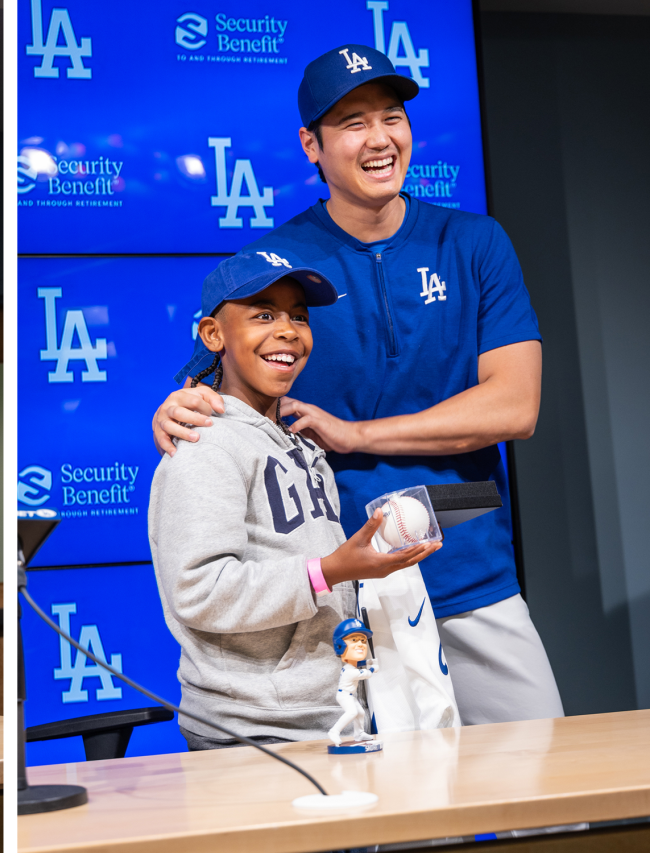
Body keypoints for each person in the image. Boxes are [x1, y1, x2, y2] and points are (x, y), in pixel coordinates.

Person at [151, 44, 562, 725]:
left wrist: (359, 434)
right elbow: (206, 388)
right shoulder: (275, 264)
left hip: (470, 562)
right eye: (351, 123)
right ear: (312, 145)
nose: (379, 139)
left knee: (547, 789)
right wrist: (173, 405)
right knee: (397, 808)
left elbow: (515, 405)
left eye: (391, 117)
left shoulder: (475, 242)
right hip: (347, 587)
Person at [148, 252, 439, 751]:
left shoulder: (303, 444)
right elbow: (199, 590)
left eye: (298, 316)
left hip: (327, 712)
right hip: (249, 727)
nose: (287, 330)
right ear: (214, 335)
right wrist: (328, 570)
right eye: (264, 314)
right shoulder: (203, 445)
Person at [327, 619, 376, 747]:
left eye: (363, 640)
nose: (360, 644)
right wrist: (373, 668)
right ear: (340, 646)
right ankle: (334, 731)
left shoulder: (351, 667)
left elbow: (361, 664)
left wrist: (369, 662)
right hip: (344, 696)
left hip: (350, 695)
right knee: (352, 712)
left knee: (360, 712)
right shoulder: (350, 671)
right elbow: (366, 674)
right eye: (354, 640)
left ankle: (359, 734)